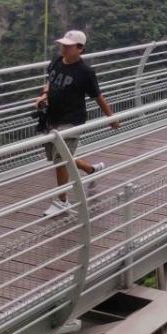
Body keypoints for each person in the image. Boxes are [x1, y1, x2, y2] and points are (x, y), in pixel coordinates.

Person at [34, 29, 118, 217]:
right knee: (59, 156)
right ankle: (91, 169)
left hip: (72, 120)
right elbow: (49, 82)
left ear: (80, 49)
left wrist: (110, 117)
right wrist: (44, 95)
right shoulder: (56, 61)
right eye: (63, 44)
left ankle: (62, 201)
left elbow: (97, 96)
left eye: (69, 46)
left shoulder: (85, 72)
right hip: (52, 117)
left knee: (60, 159)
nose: (64, 48)